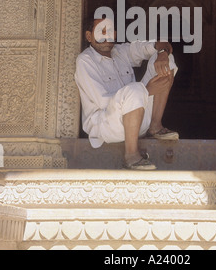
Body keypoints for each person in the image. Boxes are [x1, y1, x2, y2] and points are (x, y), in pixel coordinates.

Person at [75, 16, 178, 171]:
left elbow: (157, 45)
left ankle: (155, 126)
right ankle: (131, 156)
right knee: (135, 89)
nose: (106, 35)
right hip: (108, 126)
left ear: (115, 34)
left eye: (110, 31)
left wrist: (163, 52)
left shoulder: (120, 51)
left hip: (138, 121)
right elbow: (104, 102)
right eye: (101, 31)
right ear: (89, 36)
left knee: (167, 61)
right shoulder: (85, 61)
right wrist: (147, 90)